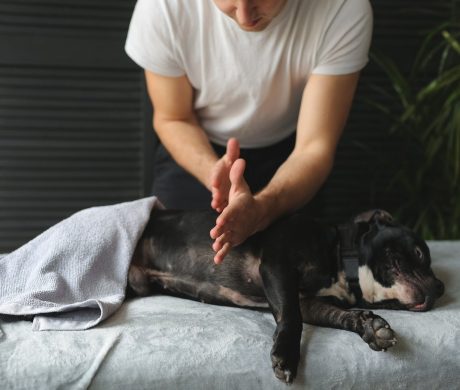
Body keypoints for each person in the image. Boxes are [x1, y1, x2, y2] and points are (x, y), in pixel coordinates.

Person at [125, 0, 373, 264]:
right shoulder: (162, 6)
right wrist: (214, 175)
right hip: (194, 151)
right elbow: (174, 118)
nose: (244, 16)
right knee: (174, 271)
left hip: (290, 158)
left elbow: (314, 146)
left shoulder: (344, 7)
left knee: (296, 274)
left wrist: (265, 208)